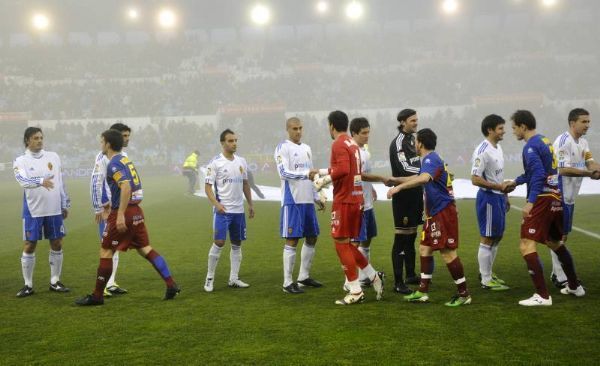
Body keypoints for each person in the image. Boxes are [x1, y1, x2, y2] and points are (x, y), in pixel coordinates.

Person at [75, 129, 180, 305]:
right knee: (145, 248)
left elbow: (125, 187)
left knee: (106, 250)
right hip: (136, 211)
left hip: (123, 212)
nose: (100, 145)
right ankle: (171, 284)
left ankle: (97, 296)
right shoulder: (125, 160)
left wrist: (121, 214)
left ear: (108, 144)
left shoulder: (114, 164)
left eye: (102, 142)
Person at [504, 110, 584, 306]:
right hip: (555, 197)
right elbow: (541, 172)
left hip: (542, 200)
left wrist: (530, 202)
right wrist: (516, 181)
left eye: (514, 128)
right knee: (555, 242)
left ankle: (542, 296)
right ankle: (575, 286)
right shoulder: (544, 141)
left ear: (523, 126)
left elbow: (539, 174)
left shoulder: (530, 146)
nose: (513, 132)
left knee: (526, 244)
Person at [387, 128, 471, 307]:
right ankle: (422, 292)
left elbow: (423, 179)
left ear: (420, 143)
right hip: (434, 214)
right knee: (425, 249)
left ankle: (464, 294)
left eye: (415, 141)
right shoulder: (430, 160)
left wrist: (398, 188)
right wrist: (395, 180)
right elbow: (419, 177)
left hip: (442, 212)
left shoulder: (431, 159)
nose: (414, 144)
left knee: (447, 253)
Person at [318, 110, 384, 305]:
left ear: (331, 126)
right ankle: (373, 277)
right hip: (356, 199)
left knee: (340, 243)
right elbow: (348, 169)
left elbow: (343, 170)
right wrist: (323, 172)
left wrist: (324, 180)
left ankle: (355, 290)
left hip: (345, 200)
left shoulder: (338, 143)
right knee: (347, 244)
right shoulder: (352, 145)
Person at [13, 127, 71, 297]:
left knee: (57, 243)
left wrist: (64, 203)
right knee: (30, 245)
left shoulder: (53, 157)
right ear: (27, 141)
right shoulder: (20, 160)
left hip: (54, 209)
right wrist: (40, 181)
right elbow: (22, 180)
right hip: (33, 210)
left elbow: (60, 181)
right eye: (35, 138)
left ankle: (55, 281)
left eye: (41, 137)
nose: (39, 140)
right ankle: (28, 285)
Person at [550, 108, 600, 288]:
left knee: (562, 236)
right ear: (572, 123)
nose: (588, 125)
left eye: (588, 121)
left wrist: (596, 168)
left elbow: (590, 161)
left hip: (570, 196)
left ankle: (557, 273)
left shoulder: (583, 142)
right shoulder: (563, 141)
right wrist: (589, 173)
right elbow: (562, 169)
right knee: (558, 237)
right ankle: (561, 277)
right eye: (584, 122)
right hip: (559, 194)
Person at [274, 117, 323, 294]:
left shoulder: (307, 148)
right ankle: (287, 282)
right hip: (292, 200)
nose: (298, 131)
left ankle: (303, 276)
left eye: (300, 128)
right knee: (292, 239)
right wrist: (305, 173)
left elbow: (311, 175)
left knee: (312, 237)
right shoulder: (282, 147)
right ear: (288, 129)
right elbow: (283, 173)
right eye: (295, 128)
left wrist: (317, 196)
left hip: (307, 200)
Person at [203, 129, 255, 292]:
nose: (234, 143)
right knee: (219, 243)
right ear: (222, 143)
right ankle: (209, 278)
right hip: (223, 211)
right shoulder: (215, 162)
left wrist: (250, 204)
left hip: (238, 211)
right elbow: (208, 187)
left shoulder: (241, 161)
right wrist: (216, 204)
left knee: (237, 244)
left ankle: (234, 278)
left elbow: (245, 184)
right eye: (231, 141)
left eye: (235, 140)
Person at [90, 122, 131, 297]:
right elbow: (96, 182)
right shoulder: (103, 157)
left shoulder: (123, 155)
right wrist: (100, 207)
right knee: (107, 247)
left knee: (114, 246)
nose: (127, 139)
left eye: (128, 136)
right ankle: (105, 285)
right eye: (124, 136)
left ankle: (111, 282)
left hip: (118, 208)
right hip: (108, 209)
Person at [471, 115, 510, 291]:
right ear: (490, 130)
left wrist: (505, 196)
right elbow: (475, 179)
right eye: (501, 128)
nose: (504, 131)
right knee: (487, 238)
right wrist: (497, 187)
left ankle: (488, 272)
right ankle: (485, 280)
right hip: (488, 198)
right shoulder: (482, 150)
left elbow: (499, 175)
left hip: (499, 197)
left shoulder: (498, 147)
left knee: (497, 236)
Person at [349, 117, 388, 287]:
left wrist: (371, 188)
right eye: (363, 133)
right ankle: (350, 281)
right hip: (357, 204)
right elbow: (358, 175)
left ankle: (364, 276)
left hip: (367, 202)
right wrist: (380, 178)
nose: (367, 136)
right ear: (354, 133)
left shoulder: (365, 151)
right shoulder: (351, 151)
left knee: (367, 238)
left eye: (368, 132)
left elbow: (366, 175)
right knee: (356, 242)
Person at [388, 109, 423, 294]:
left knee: (412, 235)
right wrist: (424, 170)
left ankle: (410, 274)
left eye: (417, 120)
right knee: (401, 237)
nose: (416, 123)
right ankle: (398, 282)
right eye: (412, 120)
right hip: (403, 195)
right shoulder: (399, 142)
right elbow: (404, 167)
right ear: (402, 122)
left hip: (416, 193)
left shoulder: (412, 140)